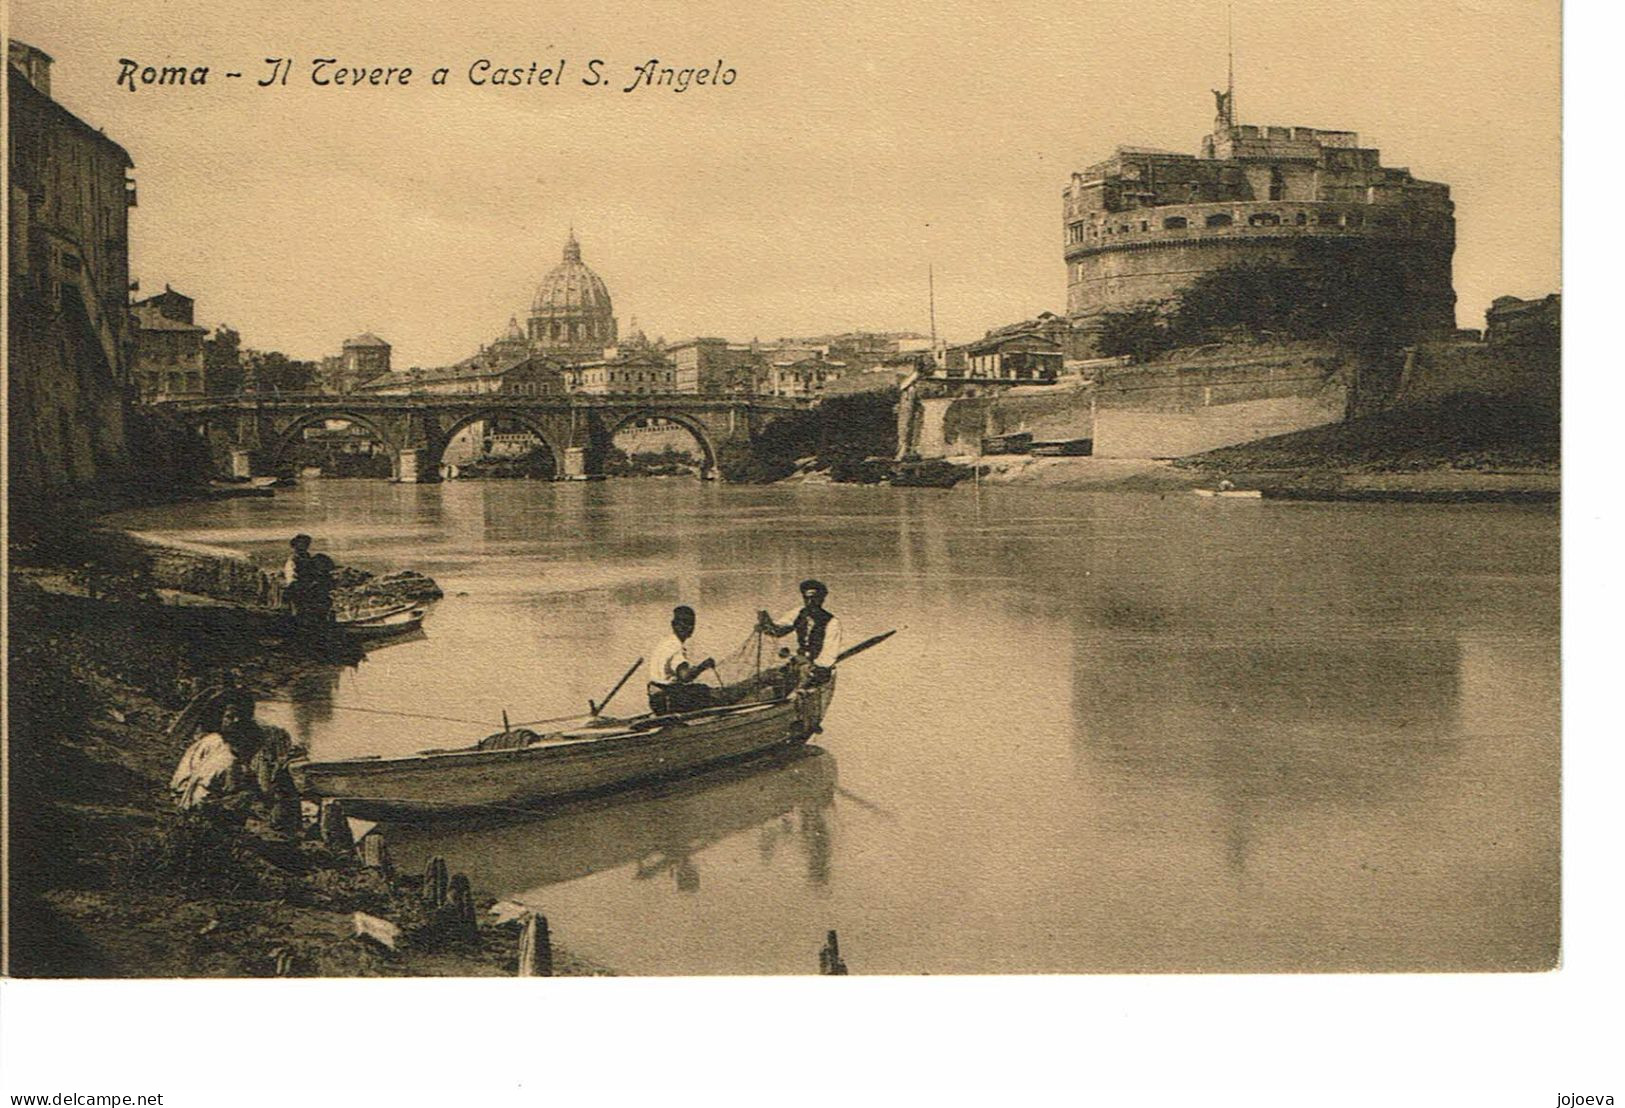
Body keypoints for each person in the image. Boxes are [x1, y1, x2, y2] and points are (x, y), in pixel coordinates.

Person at [169, 688, 297, 818]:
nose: (236, 720)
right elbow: (209, 785)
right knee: (246, 795)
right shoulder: (224, 753)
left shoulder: (218, 741)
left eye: (241, 716)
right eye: (230, 717)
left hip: (193, 796)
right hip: (198, 804)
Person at [756, 579, 843, 687]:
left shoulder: (832, 623)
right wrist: (766, 626)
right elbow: (779, 631)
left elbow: (828, 655)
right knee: (765, 677)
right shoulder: (799, 612)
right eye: (806, 598)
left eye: (814, 598)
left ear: (822, 599)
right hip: (799, 663)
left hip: (818, 669)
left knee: (800, 684)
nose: (810, 602)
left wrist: (812, 667)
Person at [647, 605, 717, 714]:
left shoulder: (666, 642)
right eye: (683, 623)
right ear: (673, 625)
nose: (688, 627)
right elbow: (685, 676)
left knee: (700, 689)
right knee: (704, 691)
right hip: (667, 701)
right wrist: (703, 666)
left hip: (655, 699)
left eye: (691, 623)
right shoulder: (675, 648)